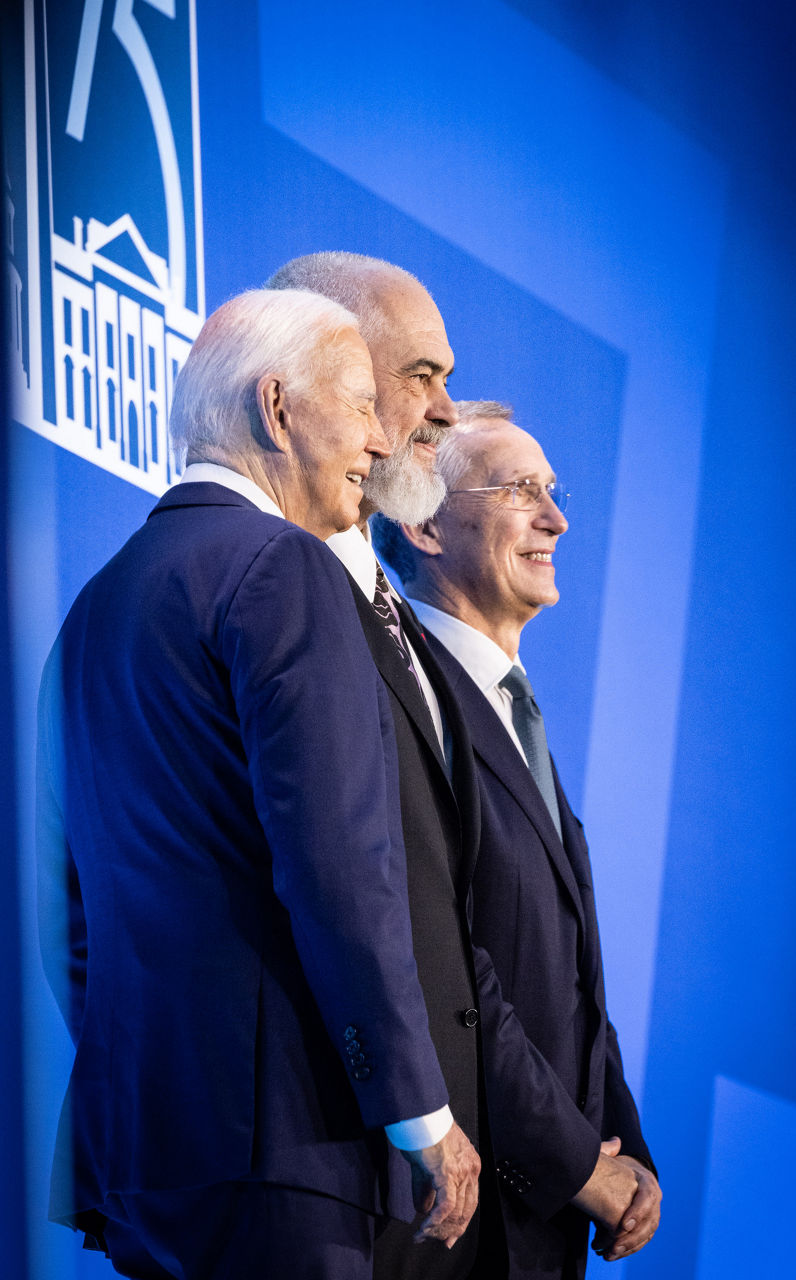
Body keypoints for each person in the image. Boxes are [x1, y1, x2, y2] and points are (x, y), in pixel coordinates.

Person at [36, 289, 481, 1280]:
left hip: (140, 1153)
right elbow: (340, 868)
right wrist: (419, 1113)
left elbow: (61, 909)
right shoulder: (287, 569)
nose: (379, 440)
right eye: (359, 404)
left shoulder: (92, 607)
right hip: (284, 1148)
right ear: (276, 407)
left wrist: (156, 1069)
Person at [371, 402, 662, 1279]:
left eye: (553, 489)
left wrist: (628, 1154)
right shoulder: (402, 698)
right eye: (519, 491)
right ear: (425, 526)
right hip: (453, 1227)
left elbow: (568, 975)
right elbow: (447, 965)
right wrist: (577, 1166)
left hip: (541, 1226)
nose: (557, 520)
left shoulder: (510, 706)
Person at [265, 254, 500, 1279]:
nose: (445, 409)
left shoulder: (404, 622)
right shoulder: (264, 593)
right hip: (311, 1170)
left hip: (435, 1195)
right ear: (335, 373)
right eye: (419, 376)